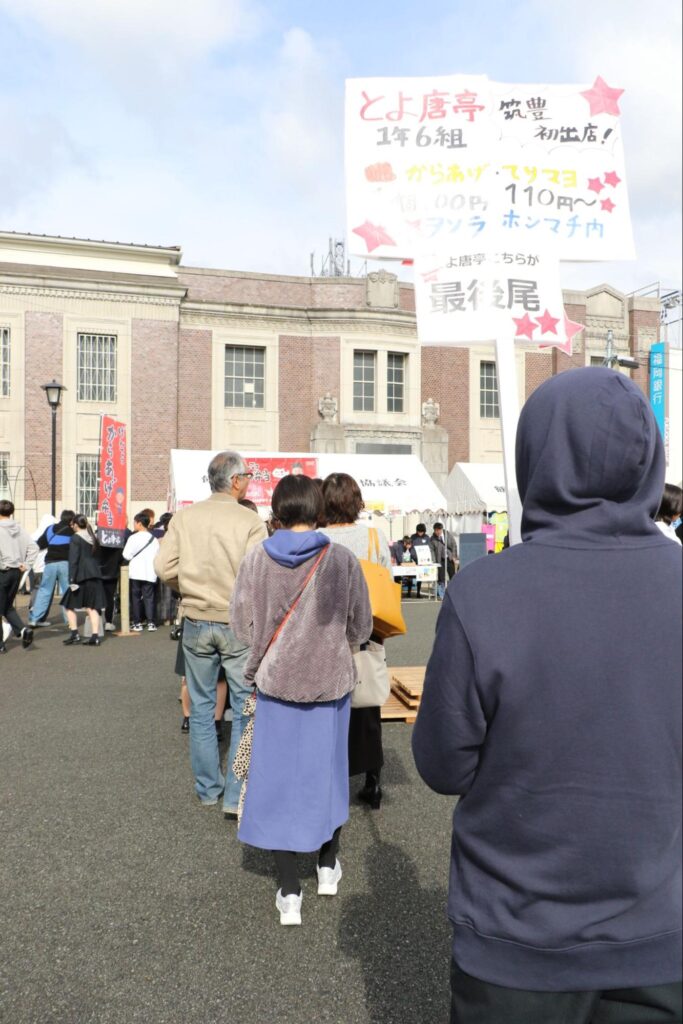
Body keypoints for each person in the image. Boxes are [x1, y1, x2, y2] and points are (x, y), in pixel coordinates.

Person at [412, 367, 682, 1024]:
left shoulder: (483, 593)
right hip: (662, 932)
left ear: (534, 457)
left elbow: (443, 765)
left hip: (516, 939)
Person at [231, 474, 372, 925]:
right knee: (326, 773)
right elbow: (361, 626)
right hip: (329, 682)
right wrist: (333, 645)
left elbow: (240, 625)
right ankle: (328, 865)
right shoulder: (341, 559)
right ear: (317, 510)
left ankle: (289, 890)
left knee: (276, 783)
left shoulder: (257, 559)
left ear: (277, 509)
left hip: (276, 683)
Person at [154, 450, 267, 817]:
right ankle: (235, 795)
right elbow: (258, 575)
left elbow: (163, 566)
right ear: (235, 481)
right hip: (236, 620)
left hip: (195, 618)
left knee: (201, 708)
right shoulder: (250, 521)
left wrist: (185, 587)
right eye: (247, 475)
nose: (249, 480)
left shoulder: (185, 518)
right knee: (245, 709)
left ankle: (207, 789)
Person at [319, 472, 392, 810]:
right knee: (367, 702)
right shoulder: (374, 538)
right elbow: (385, 579)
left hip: (326, 629)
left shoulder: (317, 538)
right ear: (356, 501)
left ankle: (330, 776)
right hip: (368, 627)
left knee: (327, 703)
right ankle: (373, 780)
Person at [61, 514, 106, 646]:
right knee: (92, 606)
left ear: (75, 524)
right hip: (95, 573)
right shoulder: (93, 537)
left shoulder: (75, 538)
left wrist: (71, 578)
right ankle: (95, 636)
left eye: (72, 524)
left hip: (81, 576)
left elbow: (73, 560)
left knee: (68, 604)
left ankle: (75, 634)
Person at [0, 499, 38, 652]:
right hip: (17, 572)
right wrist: (26, 564)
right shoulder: (20, 529)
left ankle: (1, 644)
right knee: (6, 606)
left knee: (3, 607)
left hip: (2, 571)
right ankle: (23, 630)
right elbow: (34, 547)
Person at [28, 509, 75, 627]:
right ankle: (69, 620)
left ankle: (34, 619)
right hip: (65, 564)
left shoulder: (50, 529)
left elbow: (40, 544)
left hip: (50, 564)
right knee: (67, 592)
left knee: (44, 591)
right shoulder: (73, 532)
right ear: (71, 521)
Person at [123, 513, 160, 631]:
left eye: (134, 522)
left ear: (139, 523)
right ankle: (150, 623)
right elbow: (157, 555)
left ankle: (137, 622)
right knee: (149, 597)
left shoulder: (133, 538)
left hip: (135, 572)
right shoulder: (153, 539)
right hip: (149, 572)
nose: (133, 524)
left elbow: (126, 555)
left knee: (136, 597)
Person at [430, 522, 458, 600]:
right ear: (434, 531)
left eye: (439, 530)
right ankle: (442, 595)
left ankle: (453, 593)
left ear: (442, 529)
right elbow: (431, 550)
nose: (438, 532)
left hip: (449, 558)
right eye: (436, 531)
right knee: (441, 578)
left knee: (453, 576)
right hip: (440, 560)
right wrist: (434, 561)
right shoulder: (432, 539)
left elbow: (454, 545)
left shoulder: (448, 535)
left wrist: (454, 556)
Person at [409, 523, 432, 598]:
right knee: (411, 575)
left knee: (420, 576)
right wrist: (413, 557)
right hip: (414, 559)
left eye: (422, 532)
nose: (420, 533)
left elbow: (429, 548)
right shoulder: (413, 537)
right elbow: (411, 548)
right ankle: (409, 591)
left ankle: (418, 592)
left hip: (423, 560)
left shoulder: (427, 537)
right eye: (419, 531)